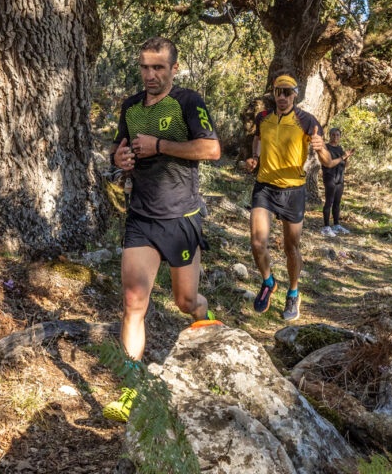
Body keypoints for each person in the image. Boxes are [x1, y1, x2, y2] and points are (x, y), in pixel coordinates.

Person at [102, 37, 221, 422]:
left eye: (158, 68)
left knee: (186, 302)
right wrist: (119, 157)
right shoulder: (131, 106)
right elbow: (118, 148)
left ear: (173, 69)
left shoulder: (188, 102)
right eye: (145, 67)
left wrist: (160, 145)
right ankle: (130, 389)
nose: (150, 75)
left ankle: (208, 326)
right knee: (133, 302)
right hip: (141, 217)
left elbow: (211, 149)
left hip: (181, 218)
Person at [245, 73, 333, 322]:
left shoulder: (307, 121)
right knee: (257, 242)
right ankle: (268, 282)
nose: (282, 97)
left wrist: (320, 148)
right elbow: (258, 139)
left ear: (295, 94)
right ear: (273, 94)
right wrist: (255, 157)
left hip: (293, 191)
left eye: (287, 92)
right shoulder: (263, 118)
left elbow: (327, 162)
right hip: (264, 187)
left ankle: (293, 293)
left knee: (290, 248)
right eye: (278, 92)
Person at [321, 127, 352, 236]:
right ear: (330, 136)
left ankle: (336, 225)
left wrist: (347, 157)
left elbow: (345, 166)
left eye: (337, 135)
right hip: (330, 177)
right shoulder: (326, 148)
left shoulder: (340, 148)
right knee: (329, 202)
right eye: (333, 135)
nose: (335, 137)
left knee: (337, 203)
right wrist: (343, 156)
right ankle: (326, 227)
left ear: (340, 136)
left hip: (340, 178)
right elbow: (329, 163)